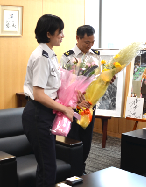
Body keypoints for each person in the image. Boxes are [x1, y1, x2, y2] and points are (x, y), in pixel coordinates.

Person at [22, 14, 74, 187]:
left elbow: (53, 88)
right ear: (48, 33)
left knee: (47, 165)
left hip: (45, 113)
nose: (62, 35)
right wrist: (65, 109)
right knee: (48, 166)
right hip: (38, 114)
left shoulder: (50, 55)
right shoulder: (41, 57)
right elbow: (38, 94)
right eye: (60, 32)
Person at [60, 25, 100, 175]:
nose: (90, 46)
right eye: (86, 42)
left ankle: (81, 167)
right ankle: (71, 169)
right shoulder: (68, 56)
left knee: (87, 138)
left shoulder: (95, 55)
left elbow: (98, 77)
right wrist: (76, 99)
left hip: (90, 104)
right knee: (73, 138)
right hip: (73, 105)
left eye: (92, 42)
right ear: (77, 38)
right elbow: (63, 83)